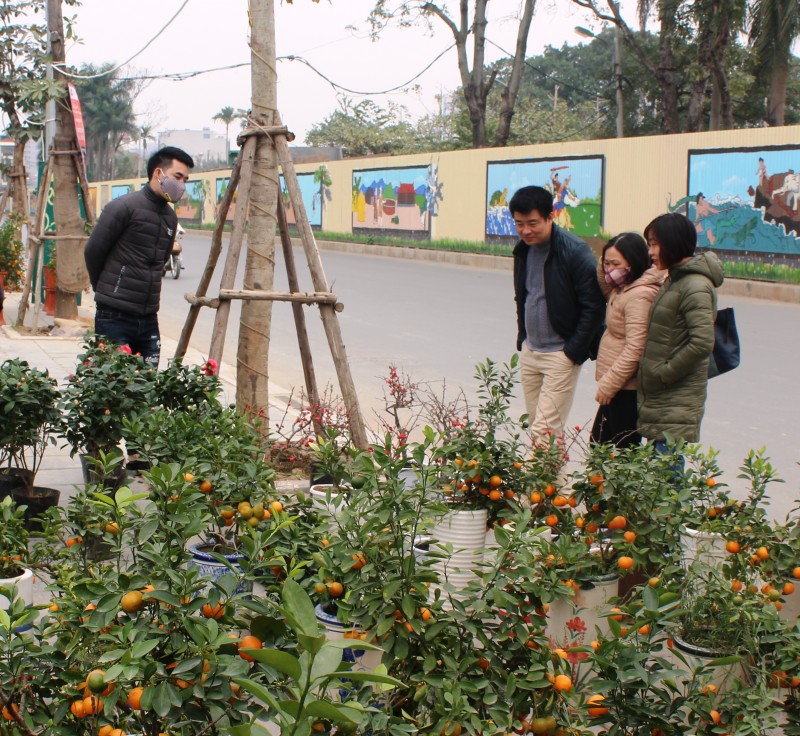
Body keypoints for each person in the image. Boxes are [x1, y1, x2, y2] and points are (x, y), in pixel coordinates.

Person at [84, 147, 194, 368]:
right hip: (114, 317)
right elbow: (93, 252)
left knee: (147, 389)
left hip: (148, 319)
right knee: (115, 389)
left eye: (185, 180)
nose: (181, 185)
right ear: (158, 173)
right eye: (177, 177)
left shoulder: (170, 218)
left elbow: (161, 261)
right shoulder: (123, 207)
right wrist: (107, 289)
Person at [511, 185, 605, 441]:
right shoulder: (522, 250)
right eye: (519, 224)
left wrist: (573, 351)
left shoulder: (574, 252)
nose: (525, 231)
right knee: (541, 430)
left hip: (560, 354)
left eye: (532, 223)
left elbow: (594, 306)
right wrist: (523, 339)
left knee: (544, 432)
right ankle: (557, 481)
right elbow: (525, 296)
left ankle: (534, 482)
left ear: (550, 216)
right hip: (532, 351)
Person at [637, 212, 724, 449]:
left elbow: (702, 342)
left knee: (667, 477)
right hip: (663, 395)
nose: (650, 252)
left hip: (675, 396)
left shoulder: (694, 285)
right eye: (649, 245)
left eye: (654, 244)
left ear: (672, 242)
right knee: (659, 476)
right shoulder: (675, 279)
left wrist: (665, 373)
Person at [591, 233, 663, 447]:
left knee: (621, 451)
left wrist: (609, 385)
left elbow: (636, 348)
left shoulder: (639, 295)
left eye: (616, 264)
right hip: (616, 386)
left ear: (633, 263)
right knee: (599, 446)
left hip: (626, 388)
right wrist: (605, 258)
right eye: (607, 263)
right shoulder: (622, 288)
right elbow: (604, 282)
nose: (609, 270)